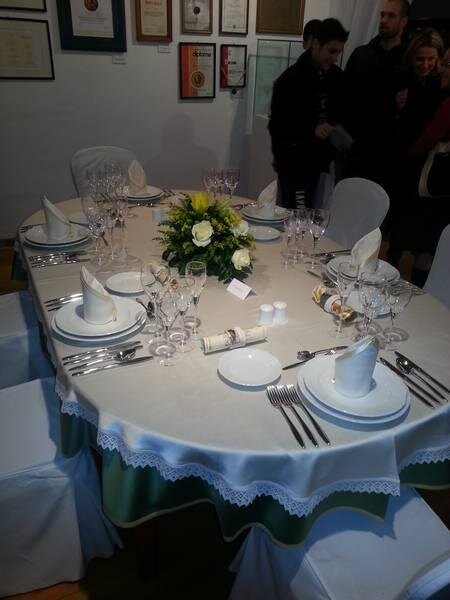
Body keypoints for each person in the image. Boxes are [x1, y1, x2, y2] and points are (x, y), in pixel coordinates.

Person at [268, 18, 348, 209]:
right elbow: (278, 127)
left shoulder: (337, 77)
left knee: (317, 217)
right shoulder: (290, 80)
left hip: (324, 164)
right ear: (316, 44)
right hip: (296, 166)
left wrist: (334, 128)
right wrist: (311, 130)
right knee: (298, 217)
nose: (334, 57)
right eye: (331, 51)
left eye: (338, 52)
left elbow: (343, 112)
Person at [343, 0, 410, 188]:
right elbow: (344, 97)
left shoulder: (410, 60)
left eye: (391, 15)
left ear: (403, 21)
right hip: (356, 150)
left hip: (389, 155)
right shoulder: (361, 55)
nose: (384, 20)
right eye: (382, 15)